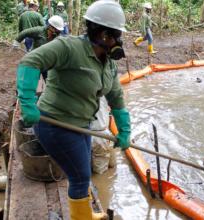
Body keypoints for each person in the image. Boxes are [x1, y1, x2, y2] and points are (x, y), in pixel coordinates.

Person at [15, 1, 131, 219]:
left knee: (83, 173)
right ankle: (81, 217)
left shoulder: (109, 64)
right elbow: (29, 61)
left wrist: (124, 130)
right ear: (103, 34)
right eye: (116, 35)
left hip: (81, 124)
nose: (119, 41)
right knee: (79, 176)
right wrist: (28, 103)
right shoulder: (68, 47)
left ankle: (84, 212)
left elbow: (116, 97)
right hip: (53, 124)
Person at [13, 15, 64, 81]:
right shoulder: (39, 31)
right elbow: (24, 32)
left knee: (49, 80)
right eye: (57, 30)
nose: (57, 33)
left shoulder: (57, 36)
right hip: (35, 61)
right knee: (30, 80)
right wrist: (17, 41)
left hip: (47, 63)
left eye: (59, 31)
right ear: (50, 27)